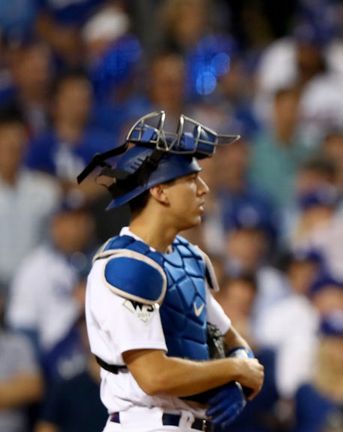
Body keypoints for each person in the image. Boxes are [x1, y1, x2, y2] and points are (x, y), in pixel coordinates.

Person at [76, 111, 265, 432]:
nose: (204, 189)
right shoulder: (125, 265)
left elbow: (237, 344)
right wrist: (234, 370)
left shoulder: (188, 259)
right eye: (191, 179)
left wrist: (236, 381)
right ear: (159, 191)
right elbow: (154, 376)